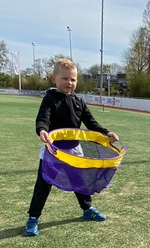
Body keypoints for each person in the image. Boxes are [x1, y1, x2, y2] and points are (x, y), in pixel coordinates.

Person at [24, 58, 119, 237]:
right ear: (54, 79)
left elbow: (91, 123)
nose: (69, 83)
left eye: (73, 79)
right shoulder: (50, 99)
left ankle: (87, 209)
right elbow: (43, 118)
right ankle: (33, 218)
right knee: (43, 185)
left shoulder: (79, 102)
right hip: (53, 152)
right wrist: (42, 130)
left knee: (80, 183)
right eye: (65, 78)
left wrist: (107, 134)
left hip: (75, 152)